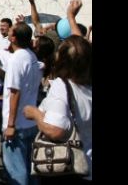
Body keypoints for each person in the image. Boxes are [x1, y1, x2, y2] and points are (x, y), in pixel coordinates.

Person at [23, 35, 92, 183]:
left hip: (68, 168)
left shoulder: (63, 86)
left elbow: (56, 130)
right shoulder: (88, 86)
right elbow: (80, 50)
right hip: (87, 166)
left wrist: (34, 113)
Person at [1, 23, 41, 185]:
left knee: (17, 172)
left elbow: (15, 92)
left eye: (10, 31)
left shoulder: (16, 59)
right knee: (30, 171)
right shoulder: (31, 56)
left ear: (13, 38)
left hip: (17, 126)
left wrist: (10, 124)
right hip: (29, 123)